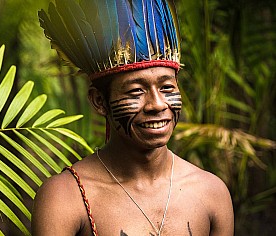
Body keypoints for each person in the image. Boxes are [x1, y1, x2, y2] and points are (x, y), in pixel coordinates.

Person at [32, 0, 234, 235]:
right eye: (136, 91)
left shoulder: (212, 193)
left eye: (167, 87)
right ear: (99, 101)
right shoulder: (66, 197)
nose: (157, 104)